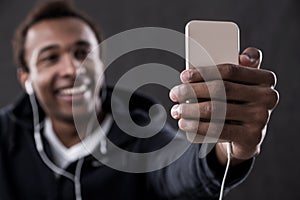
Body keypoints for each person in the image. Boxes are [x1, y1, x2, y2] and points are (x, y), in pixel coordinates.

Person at [0, 0, 279, 200]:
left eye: (82, 52)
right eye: (50, 58)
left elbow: (180, 169)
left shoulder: (145, 132)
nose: (72, 69)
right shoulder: (5, 136)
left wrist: (226, 148)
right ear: (26, 79)